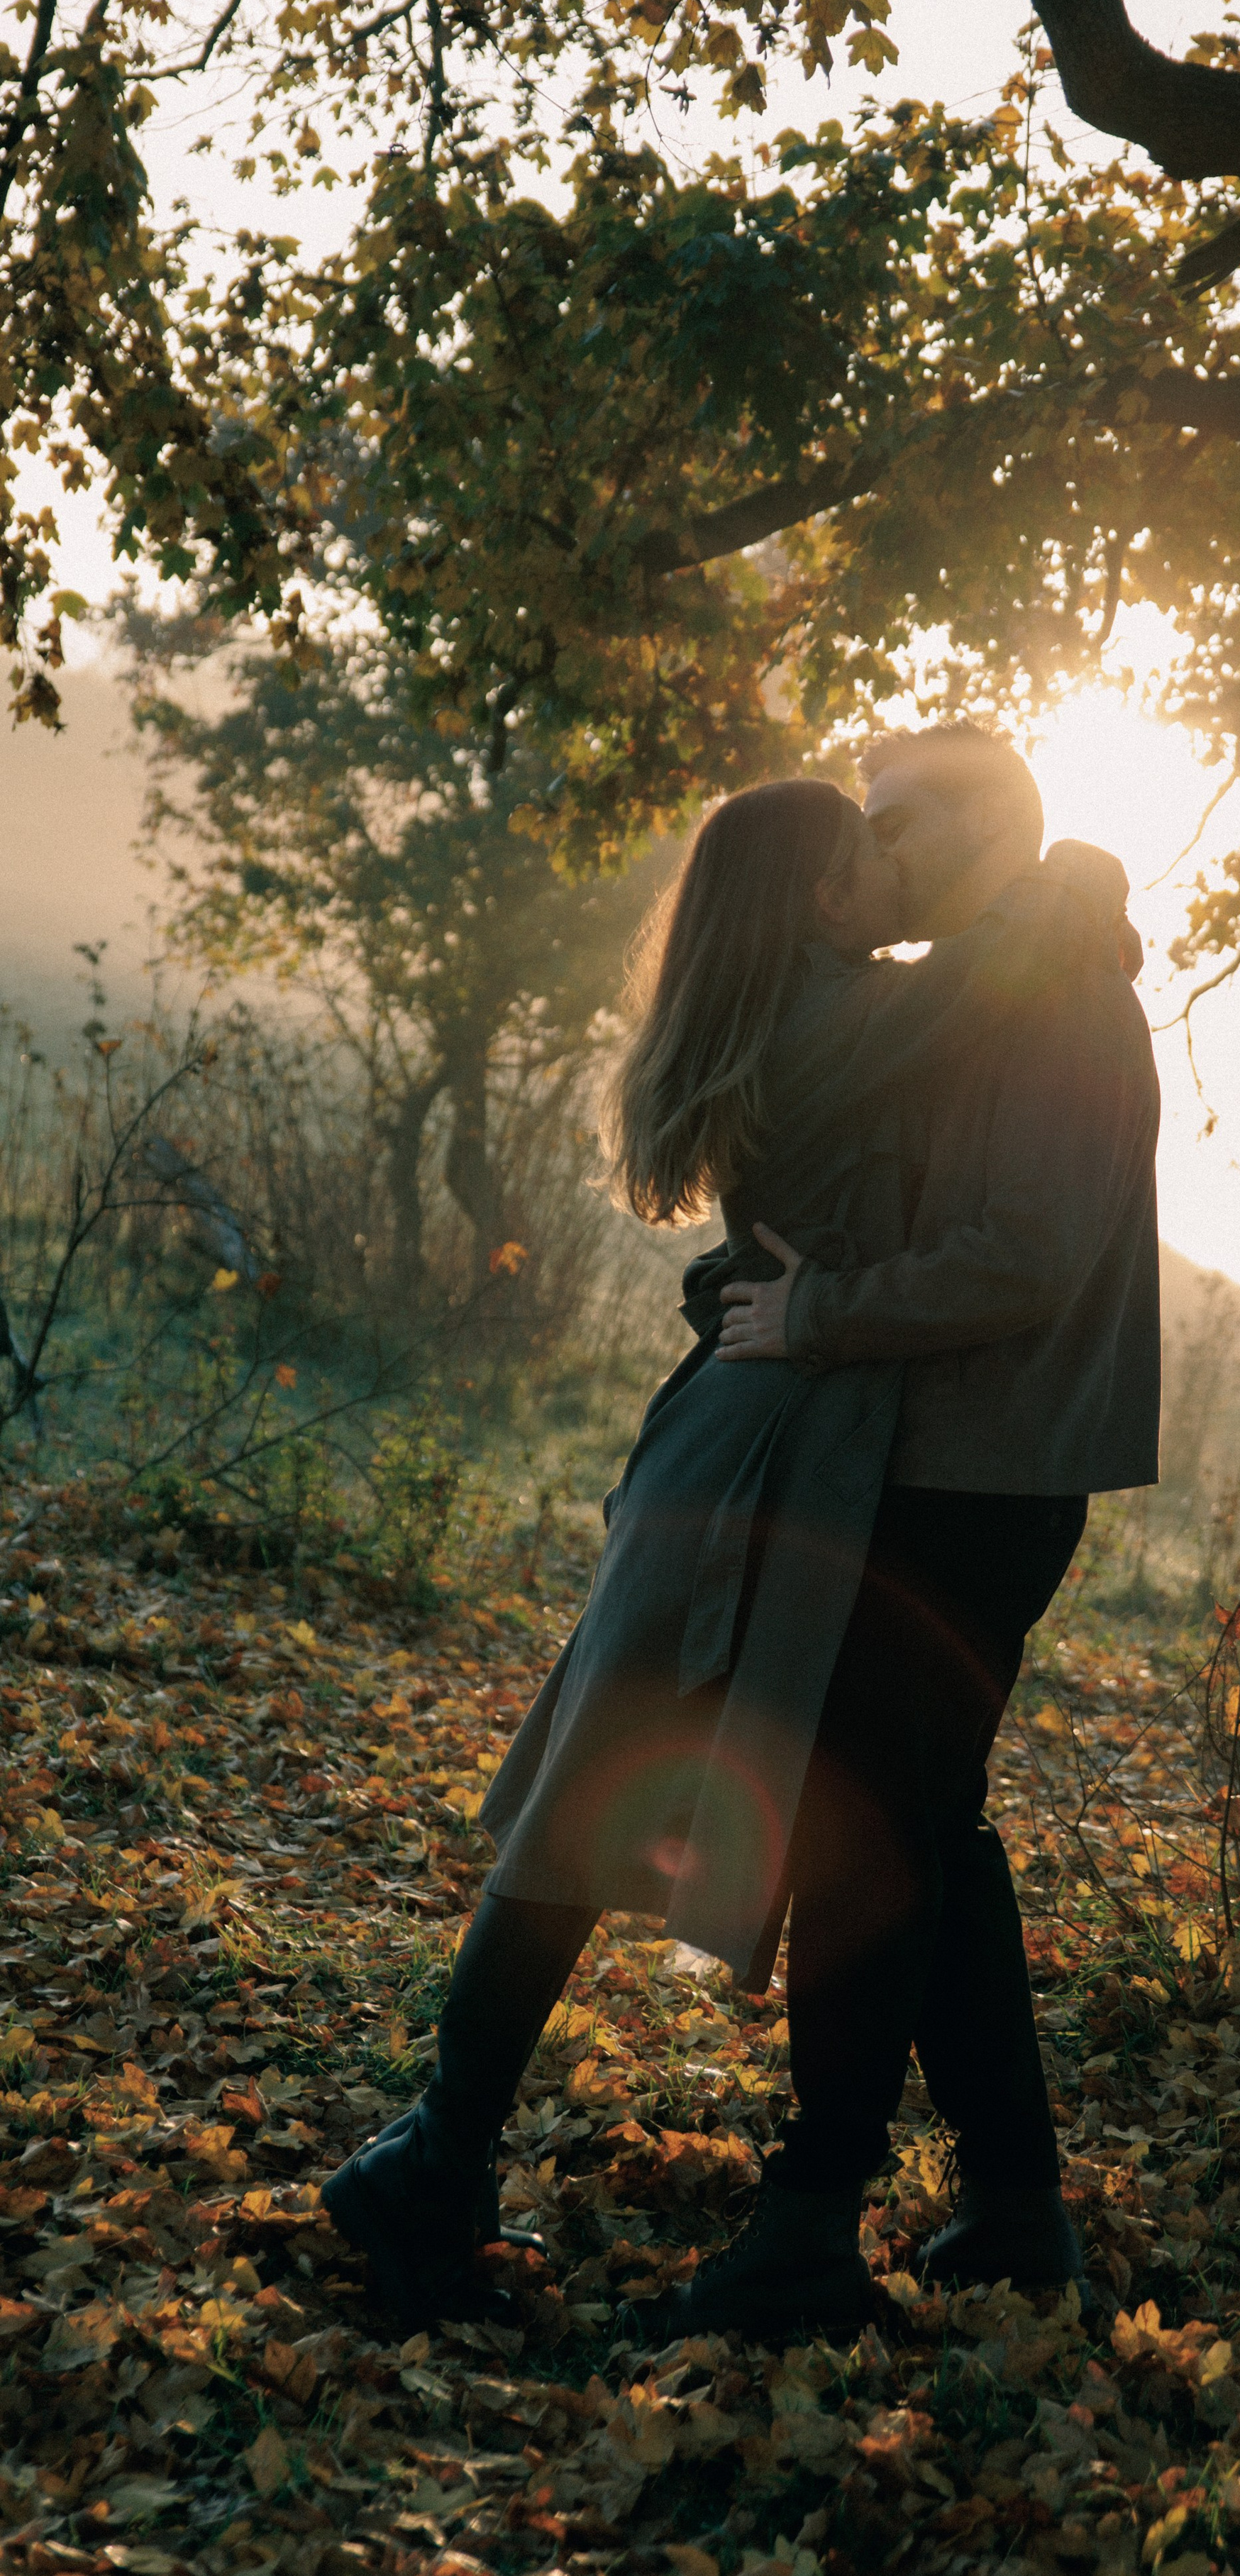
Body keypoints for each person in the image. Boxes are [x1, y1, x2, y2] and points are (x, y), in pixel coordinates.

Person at [322, 773, 1134, 2331]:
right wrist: (1066, 873)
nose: (887, 870)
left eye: (898, 836)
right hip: (755, 1455)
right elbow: (977, 979)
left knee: (700, 1798)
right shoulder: (842, 1019)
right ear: (813, 903)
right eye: (860, 852)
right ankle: (435, 2159)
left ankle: (448, 2161)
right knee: (585, 1801)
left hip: (767, 1448)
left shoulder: (804, 1000)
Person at [682, 725, 1161, 2333]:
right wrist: (757, 1277)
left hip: (981, 1480)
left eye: (892, 823)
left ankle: (813, 2221)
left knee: (864, 1840)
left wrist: (816, 1313)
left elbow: (1019, 1256)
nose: (865, 854)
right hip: (922, 1463)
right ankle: (1018, 2211)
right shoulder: (974, 991)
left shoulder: (1059, 999)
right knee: (929, 1837)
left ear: (982, 830)